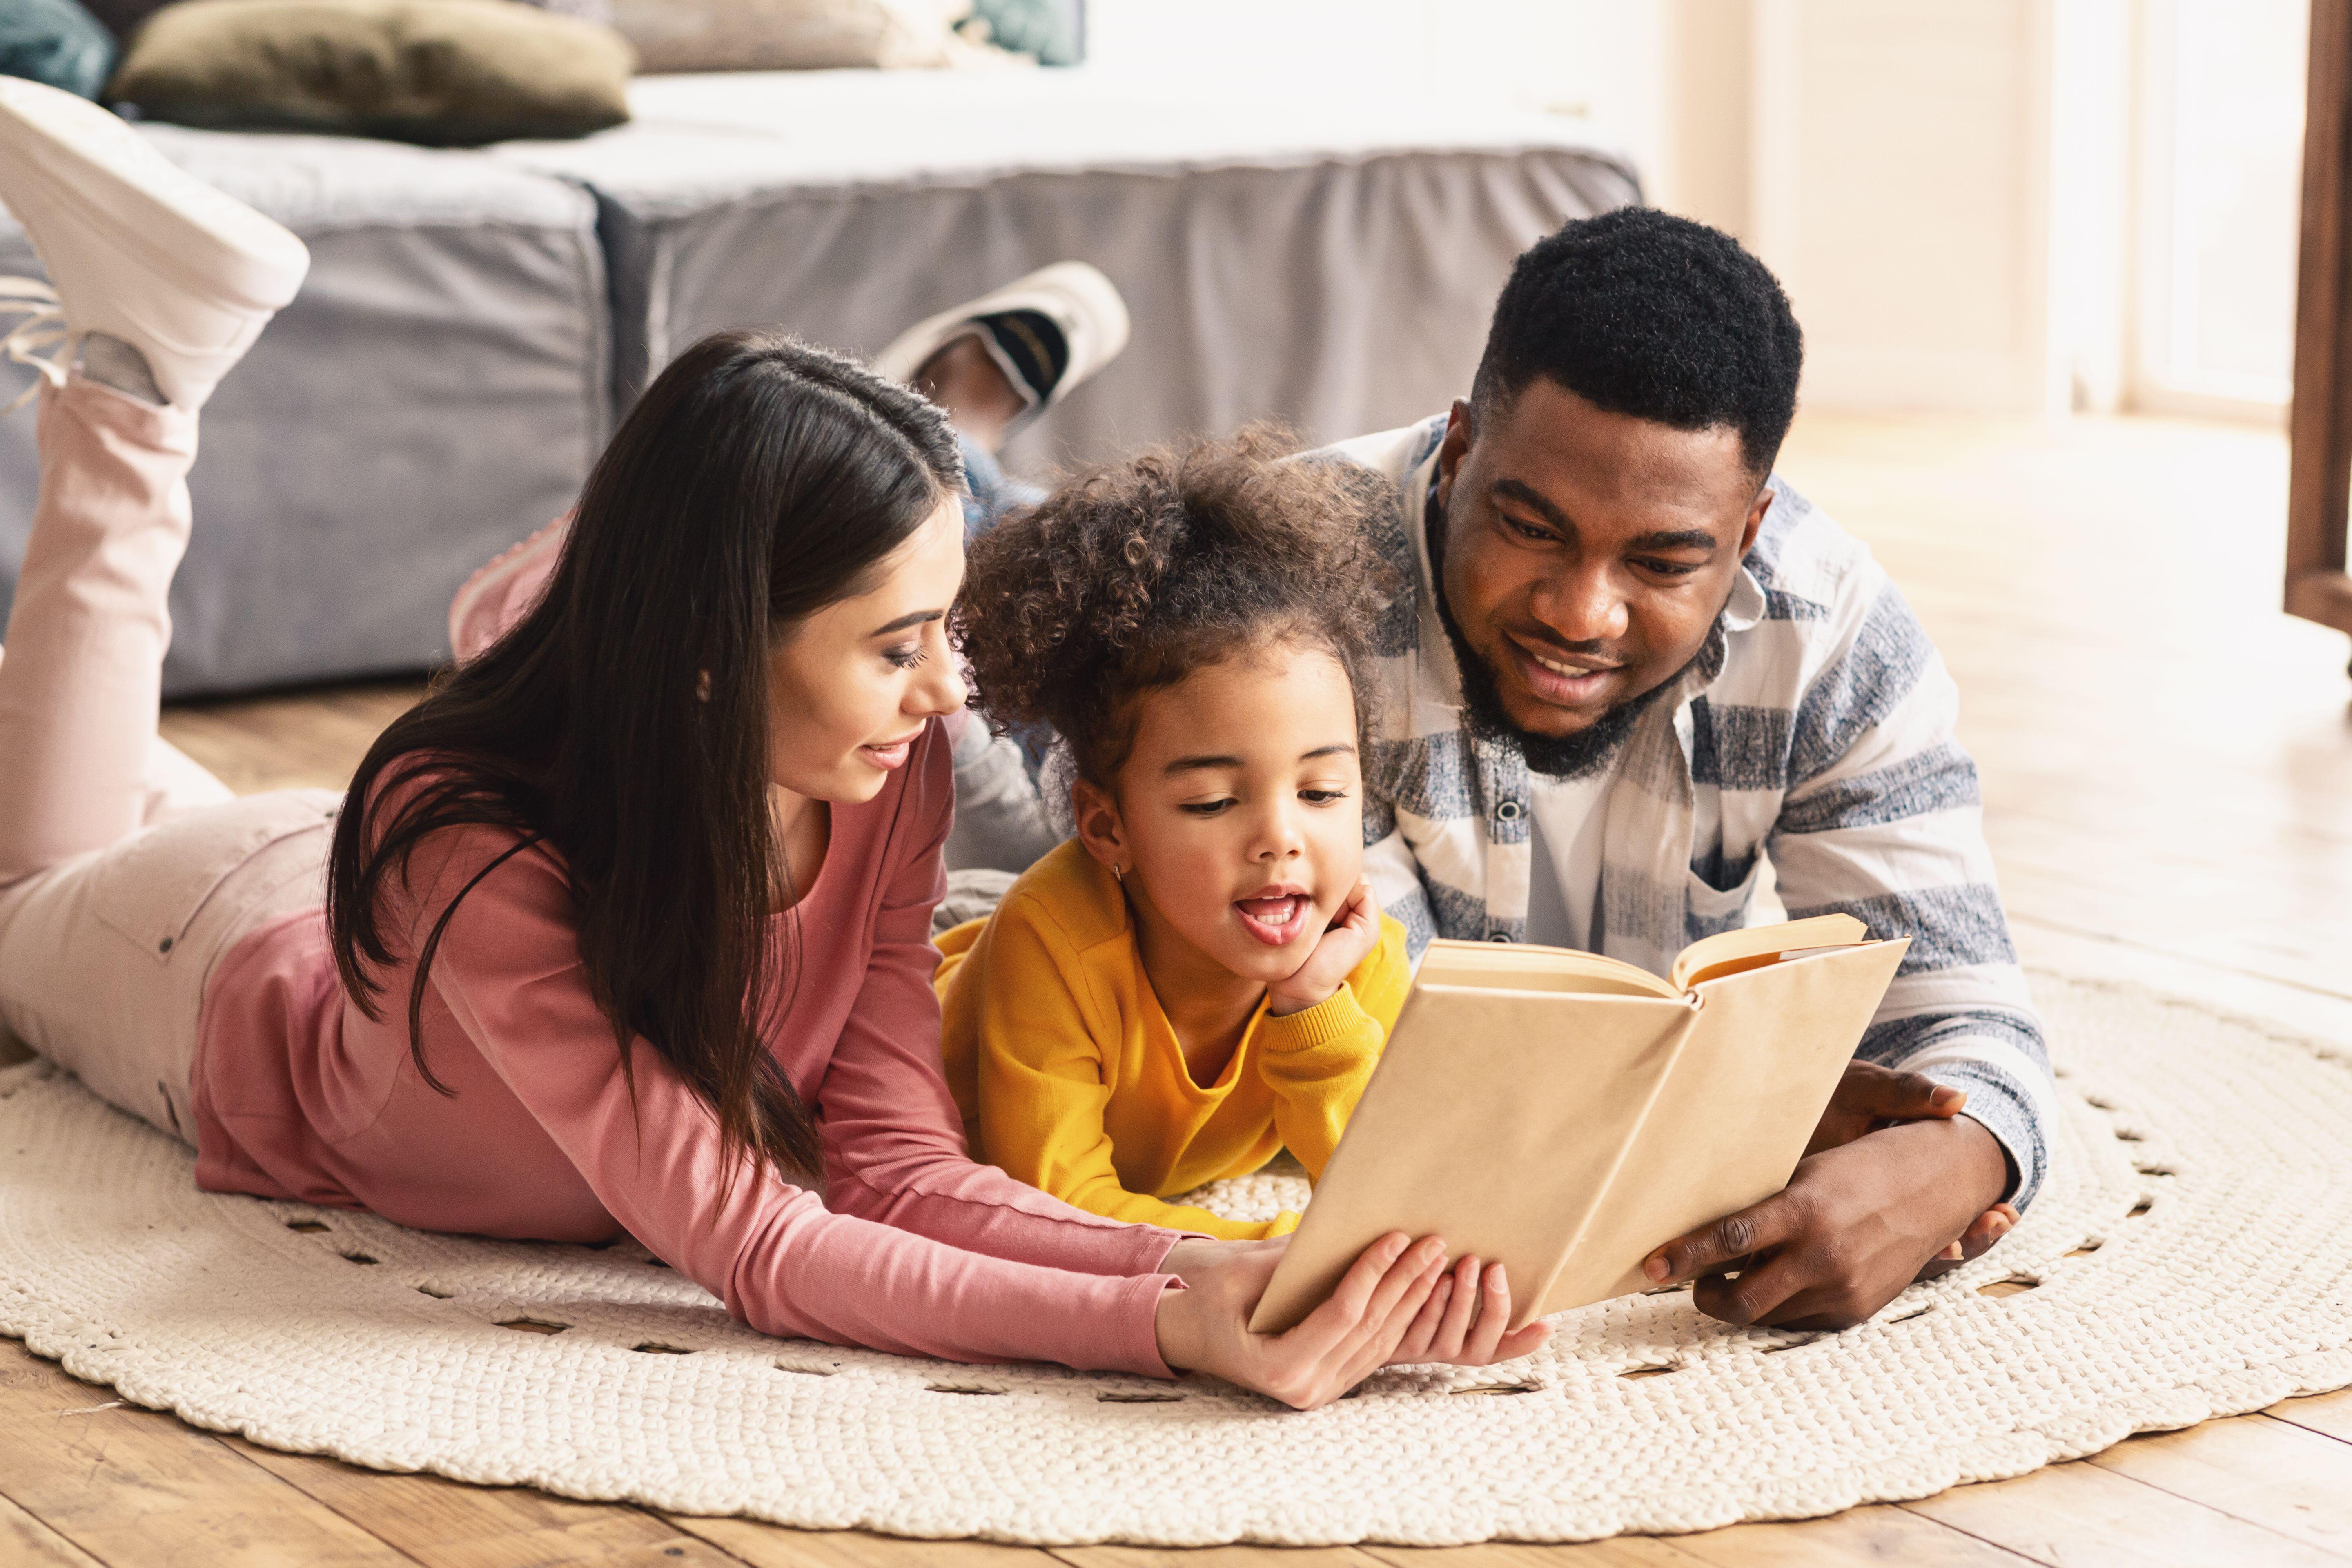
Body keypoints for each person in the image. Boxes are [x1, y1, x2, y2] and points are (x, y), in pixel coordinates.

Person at [0, 77, 1530, 1410]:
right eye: (892, 644)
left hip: (448, 813)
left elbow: (890, 1170)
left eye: (941, 630)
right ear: (720, 660)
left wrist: (1235, 1265)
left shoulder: (880, 759)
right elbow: (760, 1243)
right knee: (33, 884)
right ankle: (137, 391)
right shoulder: (476, 856)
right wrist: (1159, 1326)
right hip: (210, 952)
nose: (947, 695)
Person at [948, 209, 2053, 1334]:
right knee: (952, 599)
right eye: (1532, 528)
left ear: (1752, 527)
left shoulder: (1836, 637)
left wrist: (1960, 1161)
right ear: (1462, 447)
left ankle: (970, 429)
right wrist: (1747, 1113)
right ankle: (953, 442)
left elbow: (1967, 1010)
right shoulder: (1291, 620)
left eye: (1663, 561)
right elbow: (1414, 1079)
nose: (1582, 613)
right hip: (1091, 738)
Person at [931, 436, 1426, 1245]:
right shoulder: (1053, 946)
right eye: (1213, 802)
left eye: (1321, 792)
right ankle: (961, 438)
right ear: (1106, 825)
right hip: (919, 989)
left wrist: (1311, 1010)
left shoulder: (1354, 958)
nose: (1280, 840)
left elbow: (1400, 1197)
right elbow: (1056, 1209)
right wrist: (1275, 1253)